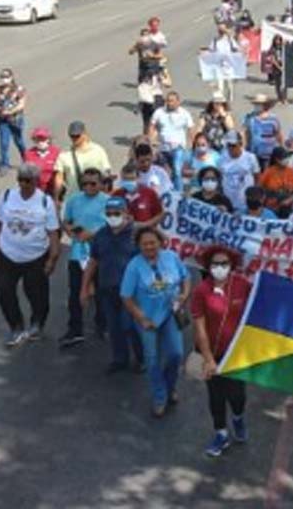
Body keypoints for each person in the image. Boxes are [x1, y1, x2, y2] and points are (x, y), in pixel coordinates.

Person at [120, 228, 191, 418]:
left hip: (170, 314)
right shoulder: (134, 266)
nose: (150, 246)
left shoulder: (171, 257)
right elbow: (126, 296)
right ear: (139, 246)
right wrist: (141, 317)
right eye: (145, 244)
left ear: (160, 242)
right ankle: (160, 397)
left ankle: (170, 387)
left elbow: (185, 278)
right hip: (147, 319)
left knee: (176, 354)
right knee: (152, 360)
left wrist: (184, 295)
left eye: (153, 242)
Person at [192, 245, 252, 456]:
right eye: (215, 264)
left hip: (236, 353)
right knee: (216, 396)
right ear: (208, 266)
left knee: (237, 395)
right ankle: (221, 434)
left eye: (224, 263)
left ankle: (238, 418)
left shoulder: (243, 285)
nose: (219, 267)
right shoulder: (201, 291)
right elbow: (199, 327)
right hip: (212, 353)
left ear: (232, 266)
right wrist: (208, 359)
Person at [0, 163, 60, 347]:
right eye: (20, 180)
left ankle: (37, 324)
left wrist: (53, 258)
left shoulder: (45, 202)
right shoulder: (7, 196)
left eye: (27, 181)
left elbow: (53, 232)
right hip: (8, 255)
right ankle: (16, 327)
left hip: (35, 258)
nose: (23, 184)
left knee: (37, 295)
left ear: (36, 182)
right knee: (5, 294)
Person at [80, 197, 144, 372]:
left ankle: (141, 358)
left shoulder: (136, 235)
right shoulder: (101, 235)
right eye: (109, 214)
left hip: (131, 292)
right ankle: (119, 359)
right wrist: (84, 288)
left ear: (126, 214)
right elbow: (92, 262)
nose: (112, 217)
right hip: (107, 289)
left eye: (117, 213)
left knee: (130, 326)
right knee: (114, 327)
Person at [59, 168, 109, 349]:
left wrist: (92, 234)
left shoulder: (108, 202)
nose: (88, 187)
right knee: (75, 292)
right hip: (78, 254)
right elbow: (66, 221)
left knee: (103, 293)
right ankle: (75, 329)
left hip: (100, 255)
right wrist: (70, 230)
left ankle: (103, 325)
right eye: (85, 183)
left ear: (101, 184)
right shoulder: (74, 200)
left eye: (93, 183)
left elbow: (113, 226)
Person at [53, 121, 112, 204]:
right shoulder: (64, 154)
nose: (74, 139)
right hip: (73, 199)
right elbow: (59, 178)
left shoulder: (98, 151)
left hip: (95, 199)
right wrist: (56, 199)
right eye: (72, 136)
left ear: (84, 134)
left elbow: (106, 174)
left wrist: (106, 195)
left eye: (77, 136)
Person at [150, 91, 195, 192]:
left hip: (178, 147)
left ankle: (178, 193)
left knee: (177, 170)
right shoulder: (159, 112)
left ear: (178, 102)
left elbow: (191, 129)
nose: (169, 103)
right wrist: (151, 141)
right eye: (167, 101)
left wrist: (194, 144)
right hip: (163, 147)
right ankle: (167, 191)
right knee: (165, 172)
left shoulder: (185, 114)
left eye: (172, 101)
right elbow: (152, 126)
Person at [0, 68, 27, 176]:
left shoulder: (19, 89)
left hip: (16, 120)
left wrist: (10, 112)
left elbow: (22, 105)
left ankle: (26, 160)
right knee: (4, 143)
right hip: (3, 121)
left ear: (11, 77)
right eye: (2, 77)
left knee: (19, 141)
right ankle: (4, 164)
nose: (4, 79)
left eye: (7, 77)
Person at [218, 130, 260, 212]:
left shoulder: (250, 158)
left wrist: (254, 197)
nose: (230, 148)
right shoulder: (221, 158)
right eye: (228, 145)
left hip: (245, 204)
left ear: (240, 144)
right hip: (228, 203)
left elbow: (257, 177)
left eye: (233, 145)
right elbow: (219, 178)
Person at [113, 163, 164, 229]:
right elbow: (110, 215)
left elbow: (160, 214)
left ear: (138, 178)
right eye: (125, 179)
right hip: (123, 233)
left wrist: (146, 224)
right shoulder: (117, 194)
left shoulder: (149, 193)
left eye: (131, 179)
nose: (128, 182)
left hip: (144, 233)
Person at [258, 146, 293, 217]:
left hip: (289, 206)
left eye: (287, 157)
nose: (286, 159)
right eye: (283, 158)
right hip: (272, 207)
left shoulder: (292, 171)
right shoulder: (268, 172)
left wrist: (290, 200)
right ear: (276, 159)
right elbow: (259, 189)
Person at [246, 94, 283, 170]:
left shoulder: (273, 119)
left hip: (268, 153)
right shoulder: (250, 117)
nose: (257, 106)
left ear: (265, 105)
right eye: (256, 104)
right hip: (253, 152)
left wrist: (281, 148)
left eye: (259, 104)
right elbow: (246, 133)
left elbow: (278, 134)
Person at [23, 126, 60, 196]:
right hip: (35, 191)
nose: (40, 142)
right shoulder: (28, 154)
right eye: (37, 139)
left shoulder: (56, 152)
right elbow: (25, 174)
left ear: (48, 140)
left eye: (43, 139)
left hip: (52, 190)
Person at [262, 35, 286, 104]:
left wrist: (284, 44)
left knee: (285, 84)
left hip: (284, 67)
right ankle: (279, 98)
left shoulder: (283, 48)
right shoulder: (272, 49)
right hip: (276, 68)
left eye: (279, 40)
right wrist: (279, 67)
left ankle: (284, 98)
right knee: (278, 84)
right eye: (276, 40)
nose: (278, 42)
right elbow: (273, 60)